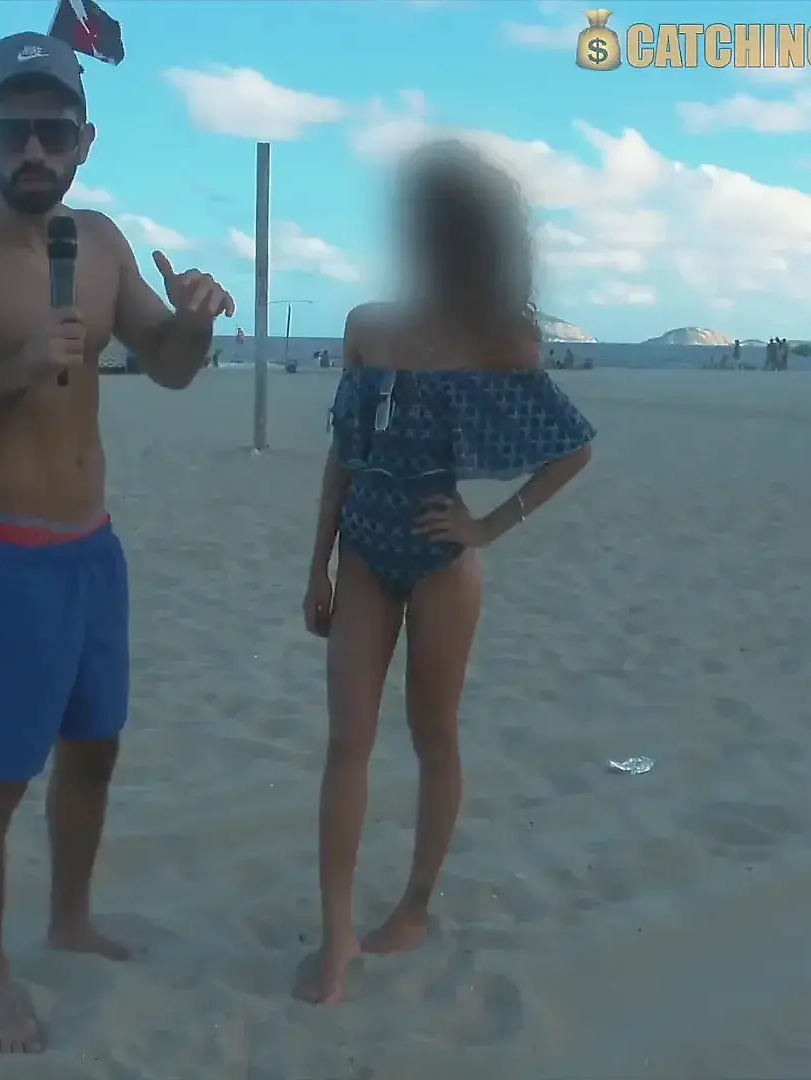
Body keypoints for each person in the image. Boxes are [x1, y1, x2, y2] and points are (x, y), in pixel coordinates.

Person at [0, 31, 234, 1054]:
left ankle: (70, 919)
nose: (33, 149)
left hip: (92, 551)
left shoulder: (104, 243)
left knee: (94, 751)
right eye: (12, 131)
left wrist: (196, 319)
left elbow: (169, 364)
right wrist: (16, 371)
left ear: (85, 140)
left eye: (53, 130)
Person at [296, 140, 596, 1005]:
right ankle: (337, 933)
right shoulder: (368, 325)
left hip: (442, 560)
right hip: (364, 552)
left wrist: (488, 526)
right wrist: (318, 564)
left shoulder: (503, 341)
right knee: (347, 742)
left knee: (433, 736)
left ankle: (415, 907)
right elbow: (344, 452)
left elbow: (572, 450)